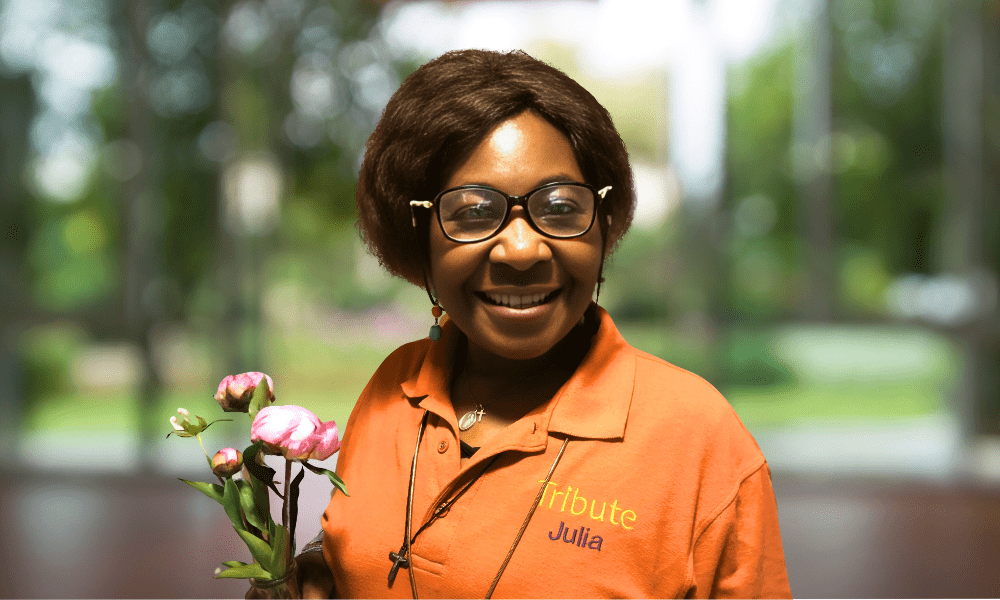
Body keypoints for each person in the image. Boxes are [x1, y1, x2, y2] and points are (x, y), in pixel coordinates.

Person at [295, 49, 791, 598]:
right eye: (474, 211)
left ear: (602, 224)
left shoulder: (698, 438)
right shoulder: (393, 388)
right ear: (420, 236)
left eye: (558, 207)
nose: (522, 249)